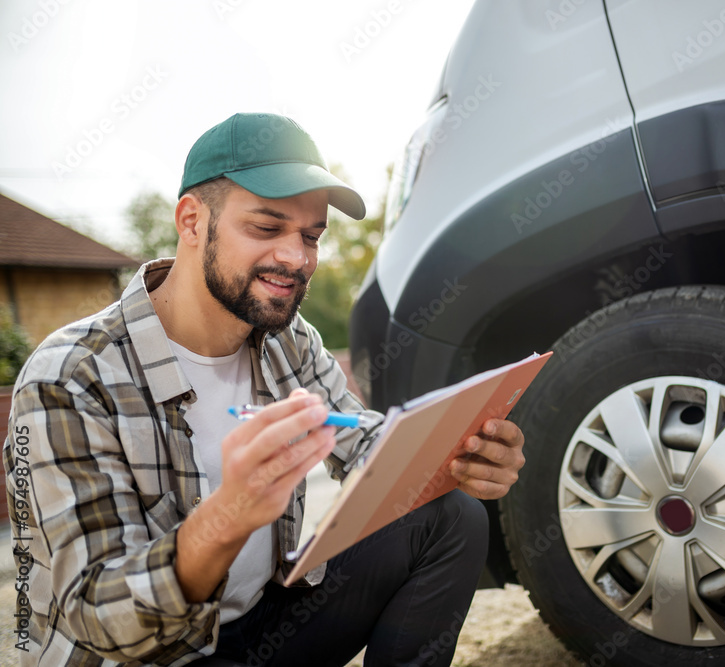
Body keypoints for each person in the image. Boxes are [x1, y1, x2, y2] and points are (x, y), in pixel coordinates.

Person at [2, 113, 527, 666]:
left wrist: (456, 454)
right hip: (150, 655)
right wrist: (229, 516)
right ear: (191, 221)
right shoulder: (72, 376)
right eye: (266, 227)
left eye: (310, 236)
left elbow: (364, 444)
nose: (296, 259)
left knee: (450, 515)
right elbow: (100, 617)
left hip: (266, 624)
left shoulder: (286, 337)